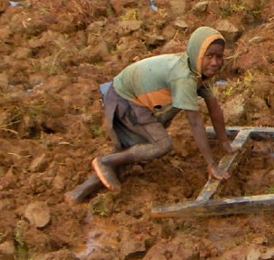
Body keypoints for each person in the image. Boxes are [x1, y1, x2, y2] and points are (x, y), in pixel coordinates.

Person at [65, 26, 238, 204]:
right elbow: (194, 122)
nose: (215, 62)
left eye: (219, 56)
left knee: (130, 151)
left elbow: (214, 107)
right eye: (209, 56)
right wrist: (212, 164)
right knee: (161, 143)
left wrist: (224, 142)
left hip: (135, 98)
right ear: (197, 54)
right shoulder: (184, 78)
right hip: (124, 100)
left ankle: (79, 192)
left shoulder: (196, 70)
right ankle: (105, 162)